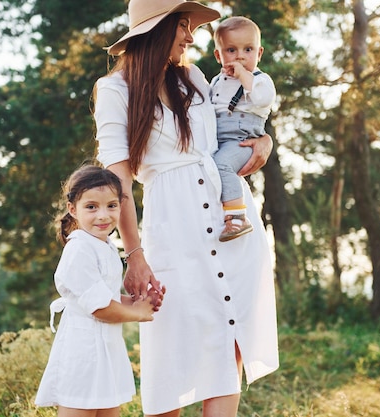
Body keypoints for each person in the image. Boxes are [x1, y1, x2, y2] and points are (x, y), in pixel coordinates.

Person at [93, 0, 279, 416]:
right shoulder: (115, 90)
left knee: (231, 335)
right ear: (158, 28)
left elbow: (235, 128)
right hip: (171, 226)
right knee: (171, 354)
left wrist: (264, 140)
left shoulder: (194, 76)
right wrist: (134, 254)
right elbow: (118, 180)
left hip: (232, 223)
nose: (191, 37)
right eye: (183, 26)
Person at [35, 164, 163, 417]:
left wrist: (135, 301)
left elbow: (107, 296)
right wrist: (137, 312)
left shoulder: (103, 246)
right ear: (73, 209)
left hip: (106, 351)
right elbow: (100, 308)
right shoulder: (79, 248)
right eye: (91, 207)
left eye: (111, 206)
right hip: (83, 353)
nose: (103, 215)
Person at [210, 16, 276, 242]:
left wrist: (243, 75)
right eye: (231, 50)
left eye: (248, 49)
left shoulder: (259, 79)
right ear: (218, 56)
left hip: (243, 138)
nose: (240, 56)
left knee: (222, 164)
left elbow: (263, 98)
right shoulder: (216, 82)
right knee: (213, 166)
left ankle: (238, 217)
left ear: (259, 54)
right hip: (221, 138)